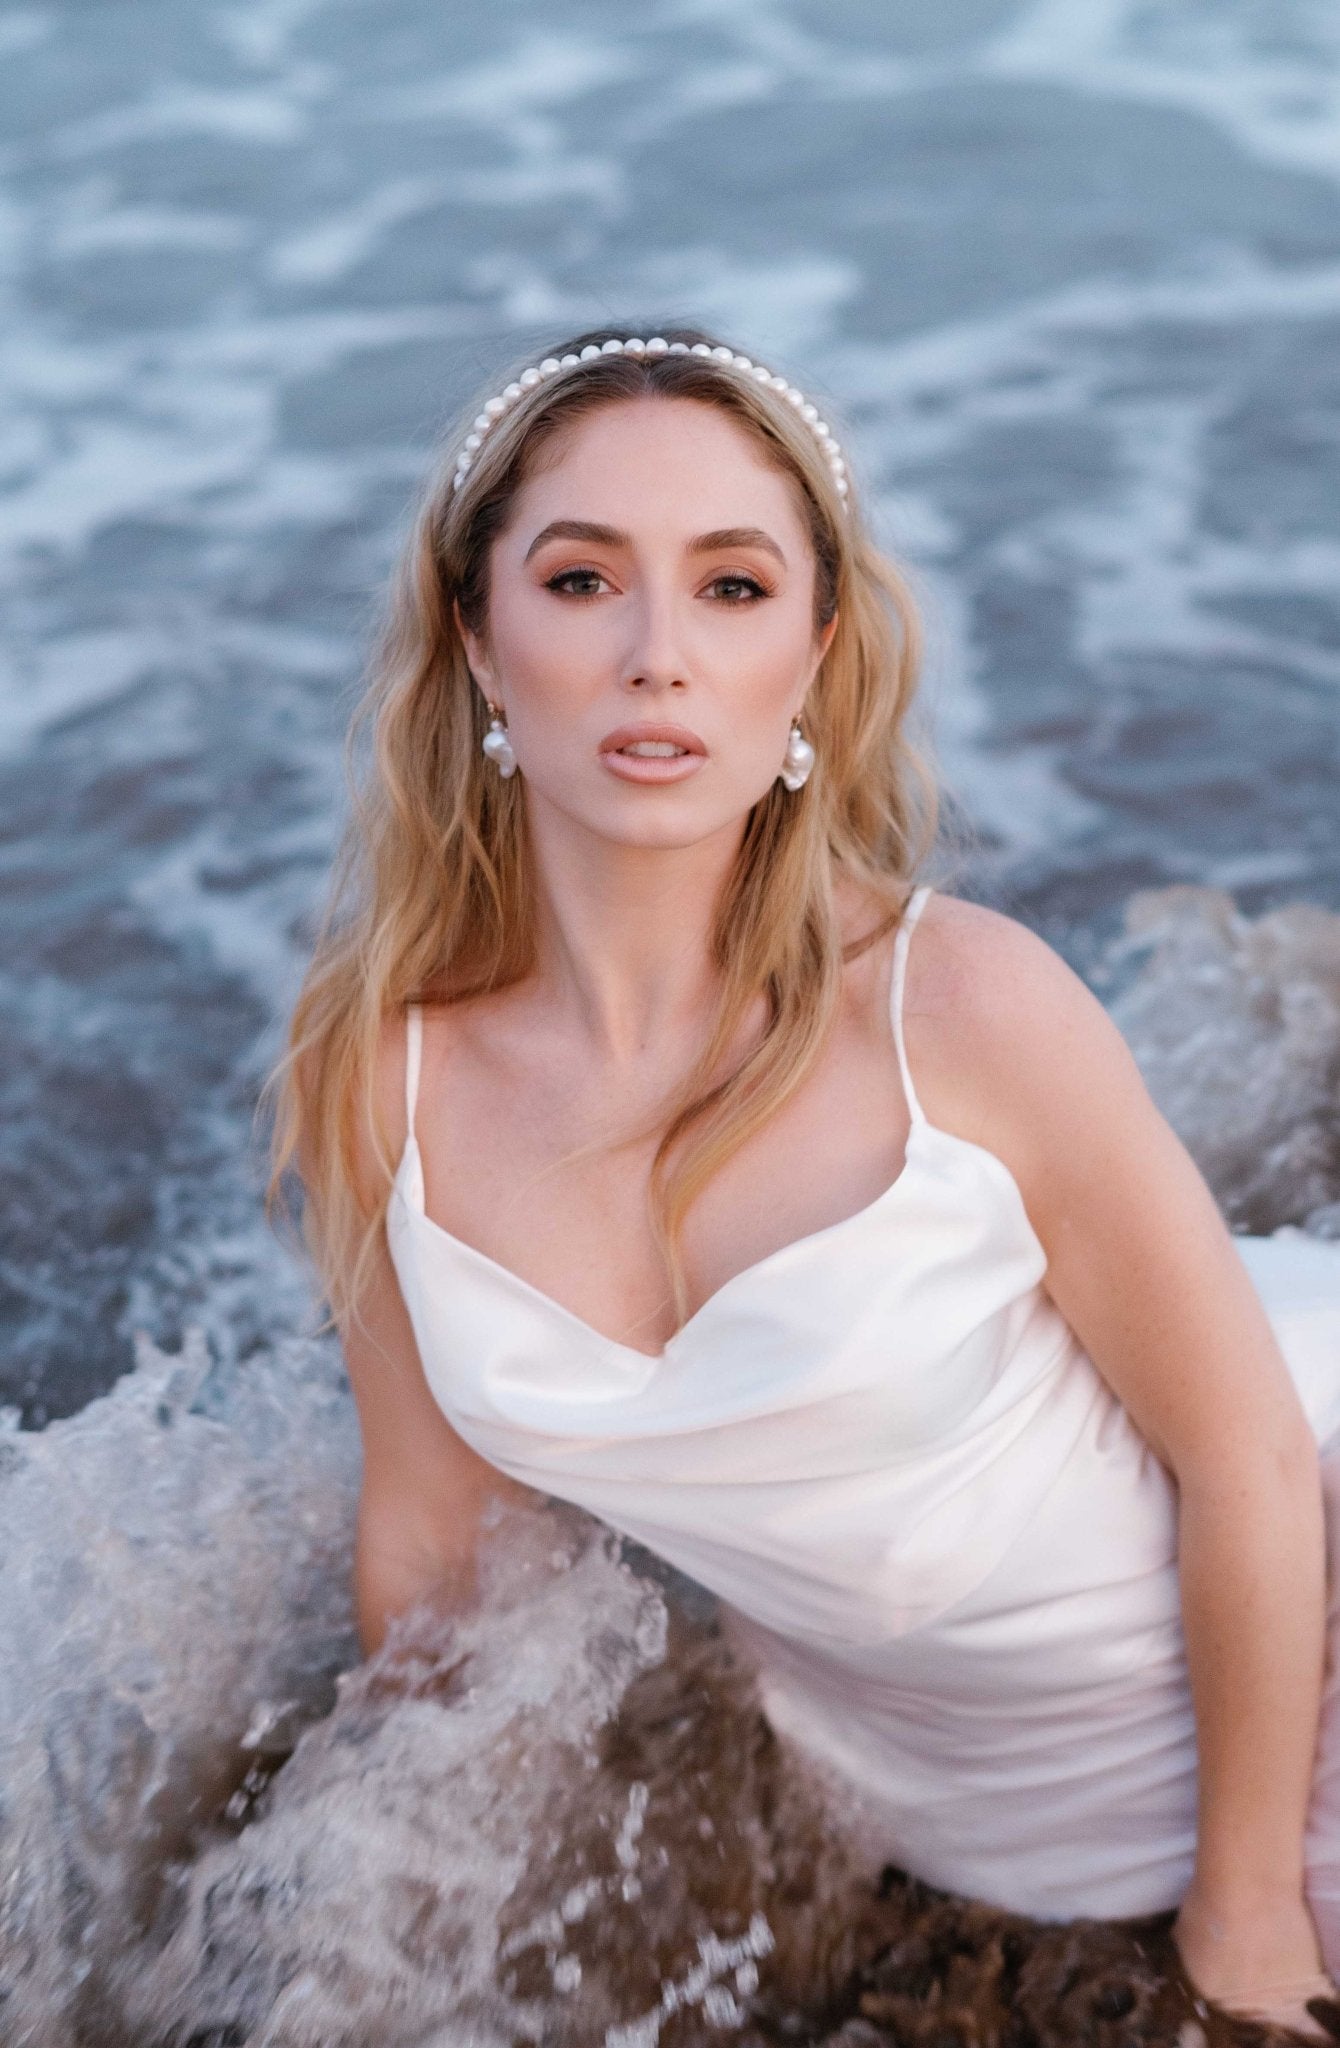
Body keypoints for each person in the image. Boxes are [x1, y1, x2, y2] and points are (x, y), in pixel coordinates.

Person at [264, 324, 1340, 2040]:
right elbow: (434, 1533)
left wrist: (1245, 1899)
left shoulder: (962, 1006)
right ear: (476, 638)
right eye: (582, 578)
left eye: (734, 587)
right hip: (925, 1779)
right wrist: (395, 1877)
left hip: (1288, 1663)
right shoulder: (375, 1074)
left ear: (817, 653)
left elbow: (1251, 1458)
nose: (657, 658)